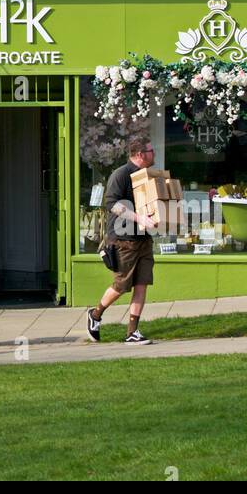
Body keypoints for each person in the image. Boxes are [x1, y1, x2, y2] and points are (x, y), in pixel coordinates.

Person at [87, 138, 158, 346]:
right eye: (151, 151)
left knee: (142, 284)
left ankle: (132, 332)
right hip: (123, 240)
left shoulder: (146, 176)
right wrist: (139, 218)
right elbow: (111, 204)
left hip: (143, 239)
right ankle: (96, 314)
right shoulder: (121, 174)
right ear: (140, 154)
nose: (154, 154)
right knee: (121, 285)